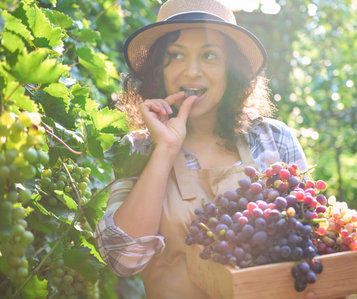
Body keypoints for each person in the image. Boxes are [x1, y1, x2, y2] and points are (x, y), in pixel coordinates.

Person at [94, 0, 309, 298]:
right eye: (176, 56)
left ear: (230, 69)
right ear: (159, 69)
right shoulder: (137, 150)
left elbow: (311, 243)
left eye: (209, 55)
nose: (192, 72)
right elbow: (124, 259)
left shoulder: (276, 139)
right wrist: (166, 149)